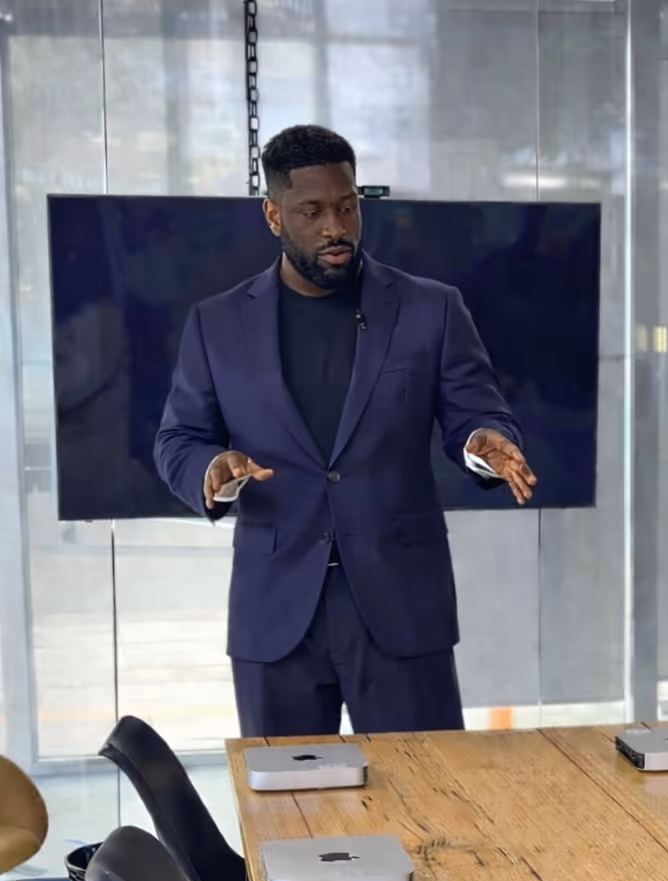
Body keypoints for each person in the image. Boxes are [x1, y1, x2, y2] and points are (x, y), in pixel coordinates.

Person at [154, 124, 535, 737]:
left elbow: (475, 411)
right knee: (288, 814)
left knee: (431, 809)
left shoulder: (431, 308)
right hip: (276, 614)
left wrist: (480, 443)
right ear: (274, 216)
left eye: (347, 206)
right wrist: (211, 469)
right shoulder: (217, 324)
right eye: (312, 211)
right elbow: (178, 439)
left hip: (402, 607)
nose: (335, 227)